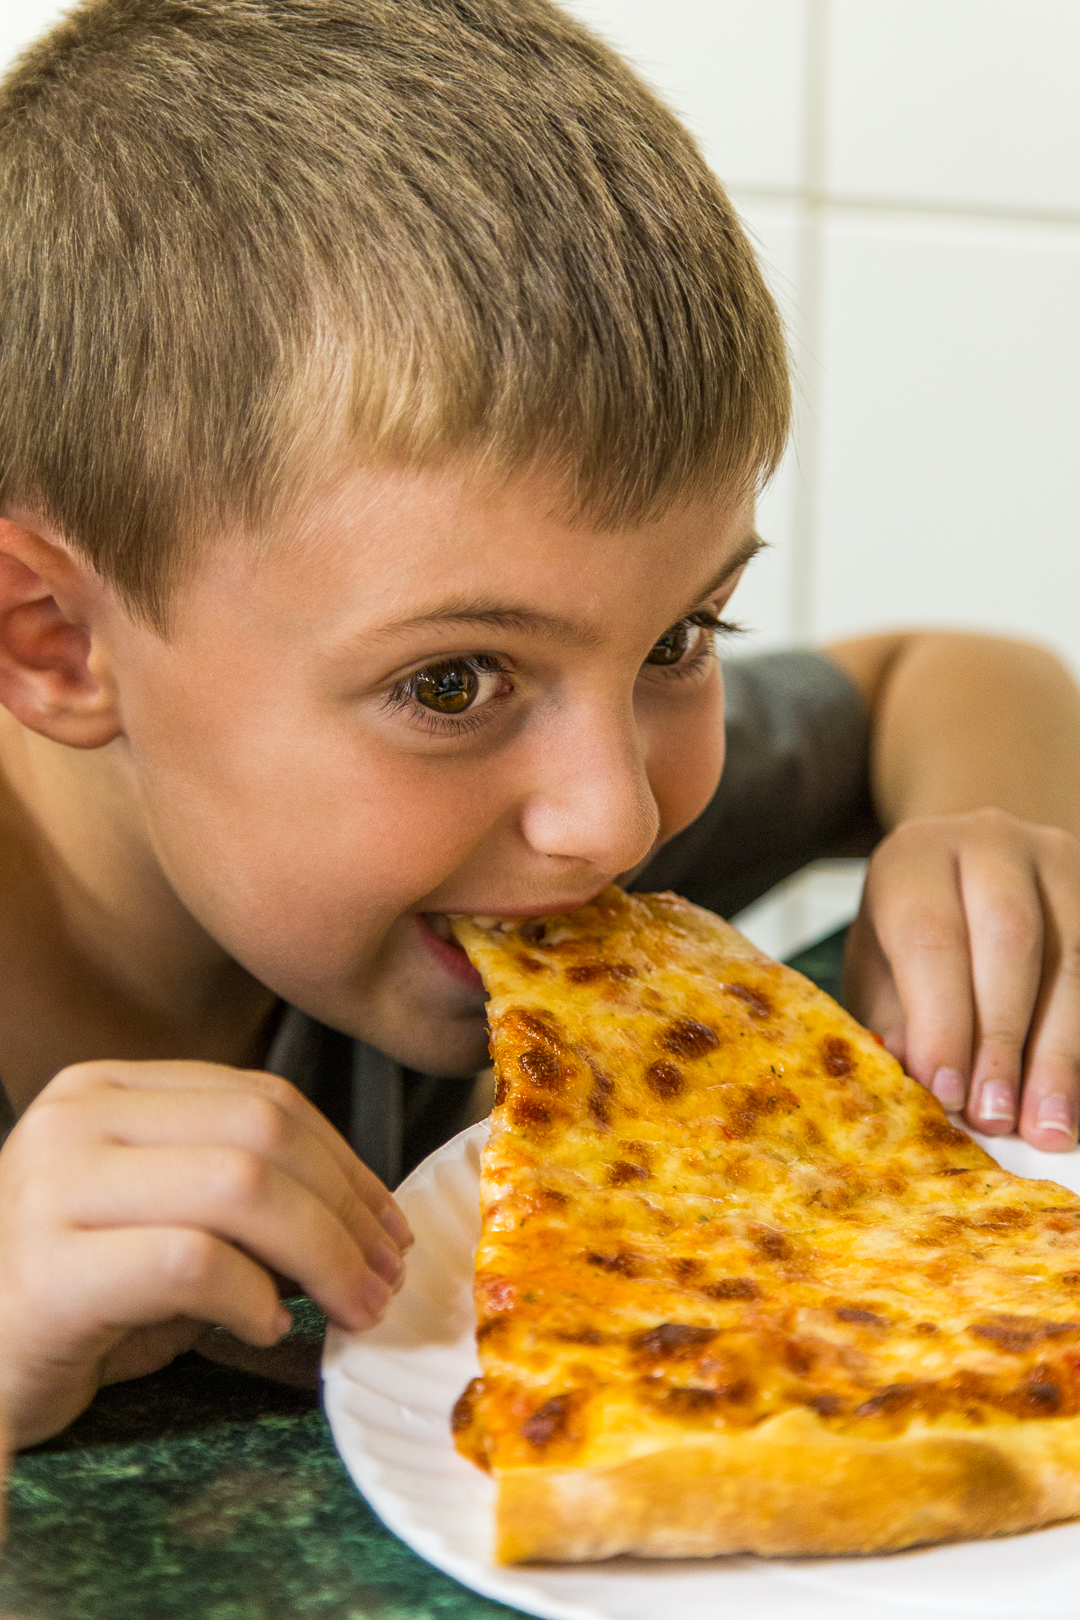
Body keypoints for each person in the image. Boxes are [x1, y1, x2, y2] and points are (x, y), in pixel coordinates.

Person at [0, 0, 1078, 1454]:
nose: (615, 820)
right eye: (453, 682)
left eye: (682, 638)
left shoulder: (524, 854)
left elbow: (952, 675)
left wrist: (997, 874)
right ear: (57, 643)